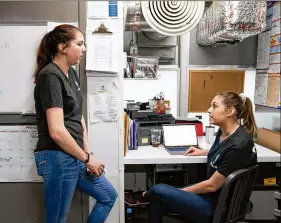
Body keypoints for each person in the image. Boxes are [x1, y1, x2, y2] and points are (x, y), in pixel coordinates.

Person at [126, 91, 258, 223]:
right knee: (158, 199)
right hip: (213, 197)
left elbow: (211, 186)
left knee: (158, 189)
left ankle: (142, 197)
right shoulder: (225, 132)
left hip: (218, 207)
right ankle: (148, 198)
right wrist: (202, 151)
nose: (209, 110)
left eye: (214, 106)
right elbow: (223, 152)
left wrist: (179, 192)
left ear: (230, 111)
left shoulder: (239, 145)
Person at [33, 24, 117, 223]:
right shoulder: (50, 76)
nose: (84, 48)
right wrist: (87, 159)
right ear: (63, 47)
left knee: (108, 196)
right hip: (58, 157)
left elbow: (78, 117)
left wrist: (88, 154)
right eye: (79, 44)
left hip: (74, 155)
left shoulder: (70, 74)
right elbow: (57, 131)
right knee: (57, 220)